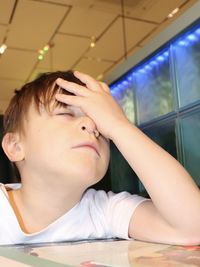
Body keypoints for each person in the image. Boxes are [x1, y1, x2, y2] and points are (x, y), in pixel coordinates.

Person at [1, 70, 200, 246]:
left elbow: (193, 226)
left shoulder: (104, 211)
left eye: (100, 124)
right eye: (66, 114)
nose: (91, 125)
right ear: (15, 146)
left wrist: (119, 125)